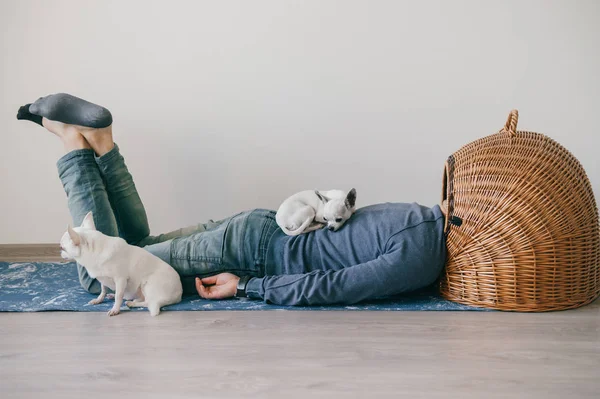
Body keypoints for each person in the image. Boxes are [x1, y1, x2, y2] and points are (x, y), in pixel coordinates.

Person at [16, 93, 447, 306]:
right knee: (100, 276)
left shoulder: (417, 213)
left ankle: (103, 144)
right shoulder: (422, 254)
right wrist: (246, 286)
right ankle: (75, 145)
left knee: (140, 247)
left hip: (257, 228)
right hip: (252, 255)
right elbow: (332, 286)